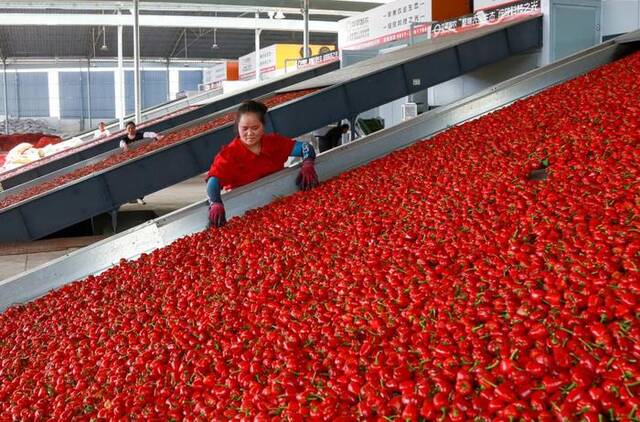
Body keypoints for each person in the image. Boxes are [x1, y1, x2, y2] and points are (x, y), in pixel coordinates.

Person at [206, 100, 319, 227]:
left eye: (255, 128)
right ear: (237, 127)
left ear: (263, 126)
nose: (249, 133)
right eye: (244, 128)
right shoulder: (229, 154)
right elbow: (213, 181)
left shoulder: (273, 143)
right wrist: (215, 203)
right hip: (244, 212)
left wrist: (308, 163)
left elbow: (305, 147)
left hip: (282, 201)